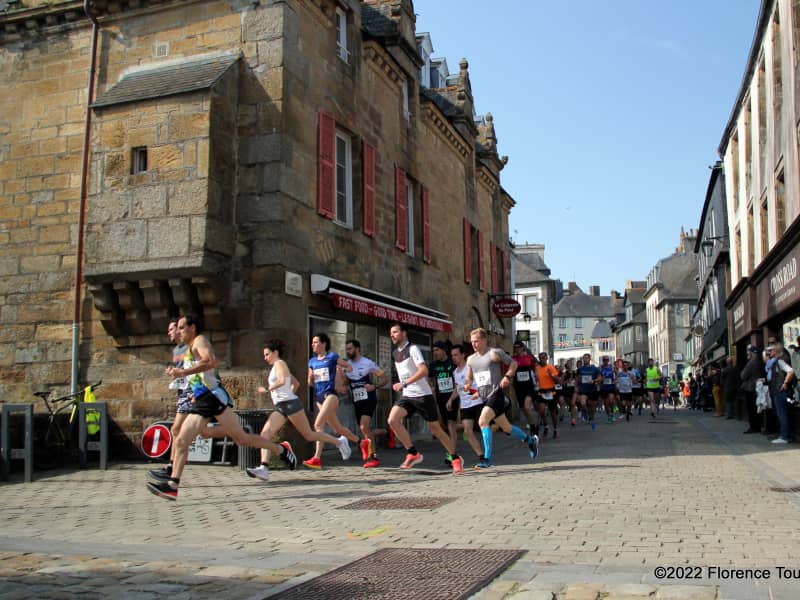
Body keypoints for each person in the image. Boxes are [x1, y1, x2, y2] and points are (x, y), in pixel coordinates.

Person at [147, 316, 296, 500]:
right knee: (242, 438)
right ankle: (281, 450)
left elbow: (209, 361)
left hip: (211, 398)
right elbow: (202, 373)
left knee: (182, 440)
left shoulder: (199, 341)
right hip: (205, 398)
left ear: (192, 328)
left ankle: (172, 485)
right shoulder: (187, 349)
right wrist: (190, 386)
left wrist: (182, 372)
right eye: (177, 328)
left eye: (182, 327)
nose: (178, 331)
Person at [246, 340, 351, 480]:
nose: (265, 358)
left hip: (290, 404)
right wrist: (289, 393)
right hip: (282, 405)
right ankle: (264, 468)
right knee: (265, 434)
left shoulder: (279, 363)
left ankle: (340, 442)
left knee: (309, 435)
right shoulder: (277, 366)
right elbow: (295, 383)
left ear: (275, 353)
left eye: (267, 354)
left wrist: (268, 389)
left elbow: (283, 380)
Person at [386, 323, 463, 474]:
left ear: (404, 333)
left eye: (395, 332)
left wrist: (404, 383)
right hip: (407, 395)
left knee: (436, 429)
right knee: (392, 420)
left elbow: (423, 370)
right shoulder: (395, 353)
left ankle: (455, 458)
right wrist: (404, 385)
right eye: (391, 332)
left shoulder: (413, 349)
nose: (392, 335)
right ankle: (413, 453)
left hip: (422, 395)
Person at [463, 328, 538, 469]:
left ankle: (487, 459)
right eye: (472, 342)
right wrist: (468, 385)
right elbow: (469, 377)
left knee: (482, 421)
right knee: (506, 427)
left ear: (484, 340)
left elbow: (513, 364)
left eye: (477, 341)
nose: (474, 344)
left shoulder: (494, 353)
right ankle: (530, 440)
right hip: (485, 397)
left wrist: (507, 377)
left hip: (496, 395)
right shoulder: (471, 359)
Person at [304, 333, 358, 469]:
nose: (313, 345)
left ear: (323, 344)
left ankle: (330, 449)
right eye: (312, 342)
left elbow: (349, 367)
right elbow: (310, 383)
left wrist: (342, 375)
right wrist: (311, 377)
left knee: (317, 425)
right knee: (337, 428)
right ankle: (361, 442)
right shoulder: (312, 361)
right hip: (319, 397)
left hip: (331, 395)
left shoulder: (332, 357)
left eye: (316, 342)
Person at [149, 318, 189, 481]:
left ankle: (171, 471)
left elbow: (194, 369)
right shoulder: (176, 351)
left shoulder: (189, 347)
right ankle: (172, 470)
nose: (169, 333)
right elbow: (180, 371)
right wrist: (172, 372)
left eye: (171, 329)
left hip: (190, 393)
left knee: (176, 430)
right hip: (181, 393)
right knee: (204, 432)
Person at [344, 339, 389, 468]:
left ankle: (373, 457)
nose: (348, 352)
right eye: (347, 349)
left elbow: (385, 378)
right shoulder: (347, 365)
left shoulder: (368, 363)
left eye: (350, 349)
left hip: (369, 398)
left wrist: (374, 386)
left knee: (364, 428)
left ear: (357, 349)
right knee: (365, 429)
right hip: (357, 400)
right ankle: (384, 431)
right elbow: (345, 382)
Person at [449, 342, 484, 463]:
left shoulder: (470, 368)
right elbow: (458, 388)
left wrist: (479, 392)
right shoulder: (454, 372)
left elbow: (481, 381)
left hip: (477, 401)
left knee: (485, 427)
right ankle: (481, 456)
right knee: (467, 431)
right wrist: (451, 399)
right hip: (465, 405)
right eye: (452, 355)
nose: (454, 358)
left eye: (456, 355)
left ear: (463, 355)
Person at [430, 340, 458, 461]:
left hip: (452, 396)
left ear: (443, 350)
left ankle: (452, 453)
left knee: (451, 423)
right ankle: (463, 430)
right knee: (442, 424)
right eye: (433, 351)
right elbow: (430, 380)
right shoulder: (433, 365)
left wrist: (453, 397)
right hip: (440, 397)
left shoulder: (452, 362)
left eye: (437, 350)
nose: (435, 353)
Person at [766, 341, 794, 444]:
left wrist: (785, 383)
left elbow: (790, 371)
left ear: (776, 351)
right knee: (783, 413)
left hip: (780, 391)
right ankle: (784, 435)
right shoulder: (780, 360)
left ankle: (784, 436)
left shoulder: (780, 361)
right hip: (780, 390)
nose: (769, 352)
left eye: (771, 350)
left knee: (782, 413)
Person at [511, 341, 538, 436]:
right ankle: (532, 424)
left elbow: (535, 367)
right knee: (523, 408)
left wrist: (537, 378)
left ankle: (533, 428)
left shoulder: (529, 358)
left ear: (522, 348)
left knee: (527, 407)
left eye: (518, 347)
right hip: (518, 387)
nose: (517, 349)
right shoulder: (513, 359)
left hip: (529, 386)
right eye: (515, 347)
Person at [534, 352, 562, 438]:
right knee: (541, 411)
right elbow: (535, 379)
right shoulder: (537, 368)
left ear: (546, 358)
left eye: (543, 358)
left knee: (552, 412)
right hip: (541, 392)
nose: (542, 359)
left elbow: (558, 381)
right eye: (540, 358)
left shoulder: (550, 367)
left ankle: (555, 429)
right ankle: (546, 426)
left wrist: (551, 375)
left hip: (551, 392)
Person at [576, 353, 601, 429]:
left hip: (592, 390)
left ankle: (591, 419)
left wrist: (594, 380)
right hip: (583, 390)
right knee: (583, 403)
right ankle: (585, 413)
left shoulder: (595, 368)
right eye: (584, 358)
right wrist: (576, 386)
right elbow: (577, 378)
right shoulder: (580, 369)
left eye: (586, 358)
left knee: (592, 407)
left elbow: (600, 378)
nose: (585, 359)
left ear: (590, 359)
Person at [598, 356, 617, 424]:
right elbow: (598, 376)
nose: (606, 361)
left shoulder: (611, 367)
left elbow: (617, 373)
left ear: (608, 360)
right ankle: (609, 416)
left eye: (607, 360)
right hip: (604, 387)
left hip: (611, 386)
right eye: (604, 360)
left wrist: (616, 380)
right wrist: (600, 380)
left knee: (611, 401)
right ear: (603, 361)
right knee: (606, 404)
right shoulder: (600, 368)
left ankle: (612, 412)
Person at [562, 359, 578, 427]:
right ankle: (572, 414)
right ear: (566, 366)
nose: (570, 365)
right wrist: (567, 381)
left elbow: (577, 380)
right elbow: (561, 382)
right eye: (568, 364)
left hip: (573, 390)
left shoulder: (575, 372)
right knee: (570, 404)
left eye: (571, 364)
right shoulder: (565, 373)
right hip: (567, 390)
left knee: (573, 404)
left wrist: (576, 386)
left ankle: (573, 419)